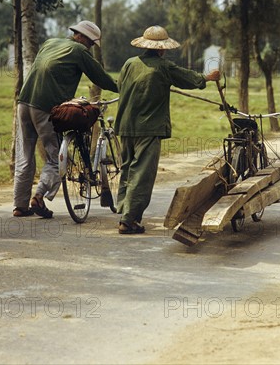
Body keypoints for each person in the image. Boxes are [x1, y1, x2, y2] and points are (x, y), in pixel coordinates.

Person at [114, 25, 221, 235]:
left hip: (125, 125)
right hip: (148, 128)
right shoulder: (163, 66)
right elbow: (189, 79)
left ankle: (124, 210)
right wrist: (208, 78)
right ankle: (129, 220)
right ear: (162, 49)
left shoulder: (129, 64)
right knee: (142, 174)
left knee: (128, 169)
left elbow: (120, 86)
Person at [13, 21, 118, 218]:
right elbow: (100, 78)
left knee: (25, 155)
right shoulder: (79, 51)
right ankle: (39, 196)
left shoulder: (50, 42)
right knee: (55, 157)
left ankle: (19, 206)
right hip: (45, 107)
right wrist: (123, 87)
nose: (90, 47)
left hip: (24, 103)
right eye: (91, 44)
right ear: (84, 38)